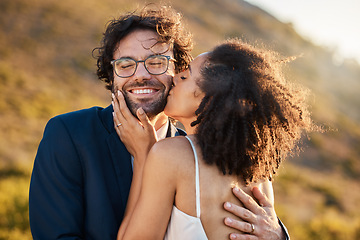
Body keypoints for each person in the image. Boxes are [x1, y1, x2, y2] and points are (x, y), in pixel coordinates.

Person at [29, 5, 289, 240]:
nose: (141, 75)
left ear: (178, 70)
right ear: (112, 74)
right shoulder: (69, 134)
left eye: (155, 62)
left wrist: (278, 235)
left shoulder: (198, 151)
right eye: (126, 64)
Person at [113, 39, 312, 239]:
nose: (174, 77)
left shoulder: (172, 155)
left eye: (186, 76)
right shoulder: (261, 176)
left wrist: (142, 156)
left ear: (210, 99)